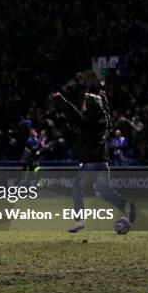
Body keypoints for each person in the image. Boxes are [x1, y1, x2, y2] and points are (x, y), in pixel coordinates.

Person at [53, 91, 135, 234]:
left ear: (88, 105)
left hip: (89, 163)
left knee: (77, 189)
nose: (82, 105)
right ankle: (127, 205)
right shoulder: (104, 118)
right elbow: (107, 113)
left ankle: (80, 220)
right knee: (106, 192)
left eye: (84, 102)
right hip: (103, 162)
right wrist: (105, 98)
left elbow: (72, 112)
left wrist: (61, 100)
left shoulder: (86, 120)